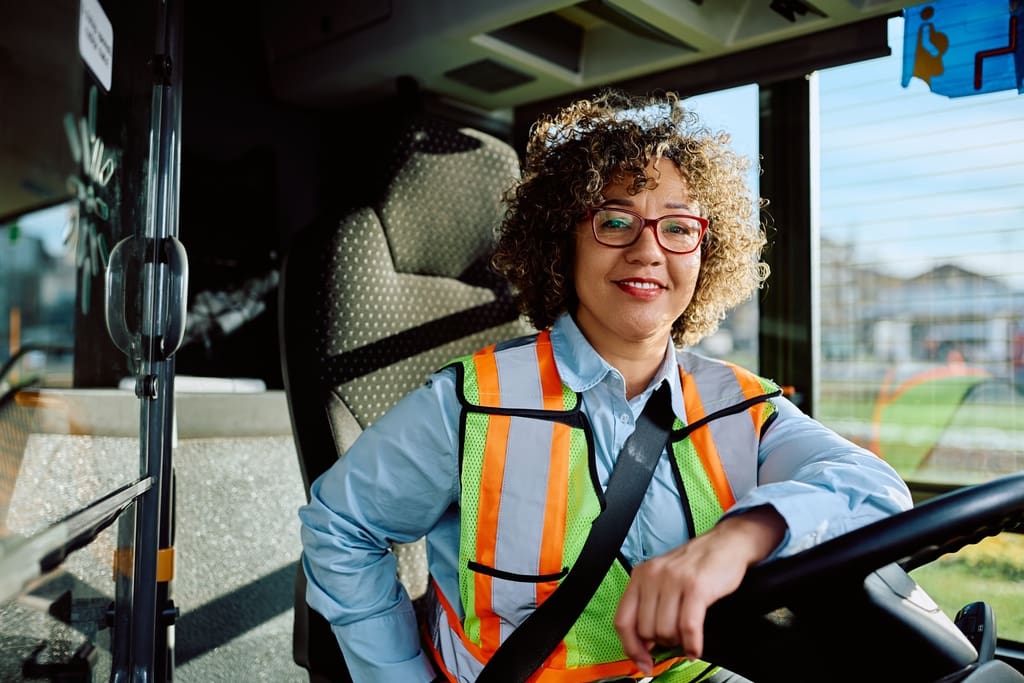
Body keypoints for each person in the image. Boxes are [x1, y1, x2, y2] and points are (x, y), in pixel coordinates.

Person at [298, 89, 913, 682]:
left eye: (677, 228)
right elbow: (340, 528)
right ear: (561, 243)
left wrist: (738, 539)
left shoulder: (742, 406)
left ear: (706, 252)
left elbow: (874, 489)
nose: (649, 250)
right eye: (615, 221)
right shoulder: (470, 400)